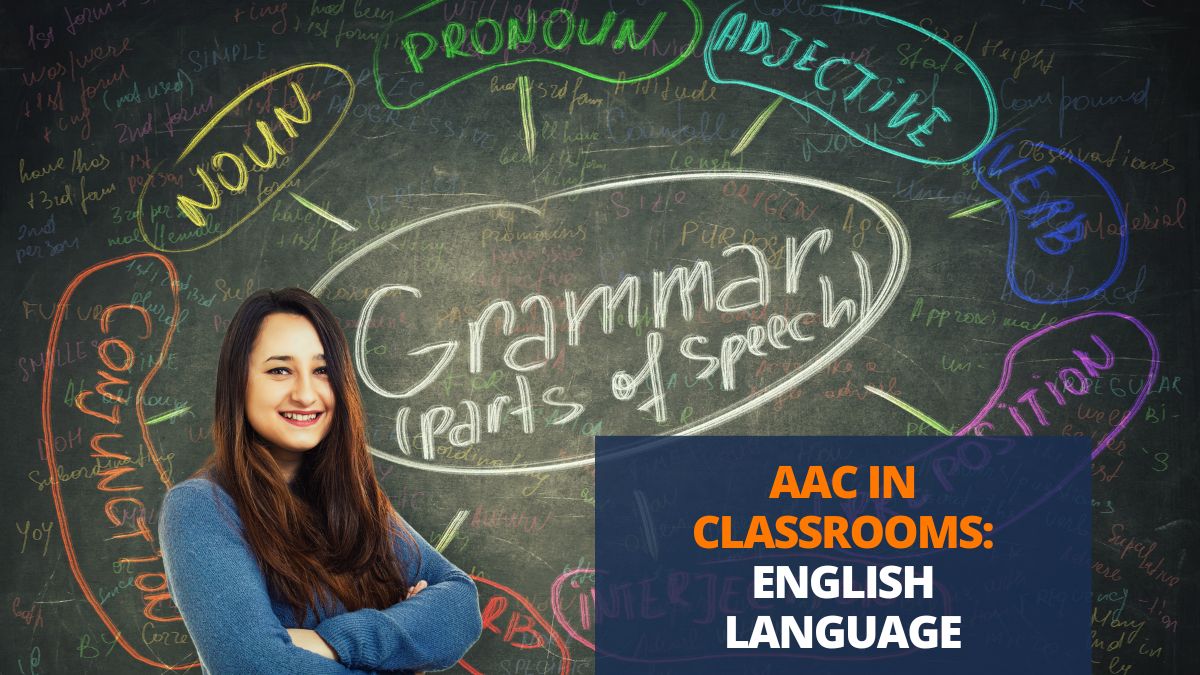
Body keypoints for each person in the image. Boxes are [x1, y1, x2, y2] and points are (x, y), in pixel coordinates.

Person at [158, 288, 482, 674]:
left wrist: (332, 641)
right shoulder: (202, 507)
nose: (305, 393)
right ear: (238, 382)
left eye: (322, 370)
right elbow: (255, 666)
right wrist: (404, 647)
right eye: (280, 370)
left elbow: (459, 605)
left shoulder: (350, 498)